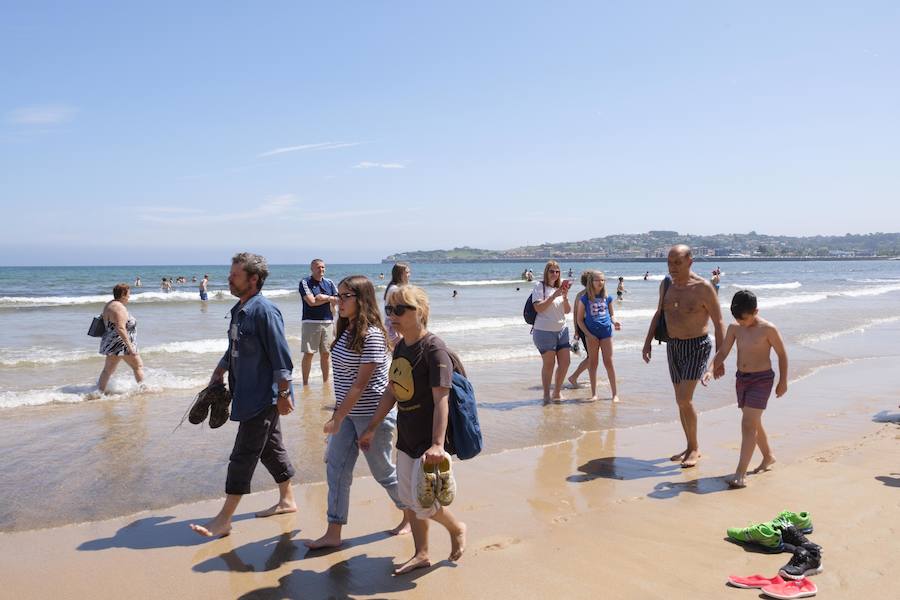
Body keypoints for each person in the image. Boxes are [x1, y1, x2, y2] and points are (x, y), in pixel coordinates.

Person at [359, 285, 466, 574]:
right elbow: (392, 392)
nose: (392, 315)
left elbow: (441, 399)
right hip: (405, 436)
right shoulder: (402, 347)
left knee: (425, 502)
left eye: (399, 309)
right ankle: (422, 553)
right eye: (390, 309)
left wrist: (438, 444)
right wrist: (371, 427)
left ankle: (456, 528)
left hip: (429, 441)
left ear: (419, 312)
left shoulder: (434, 350)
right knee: (409, 499)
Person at [190, 252, 297, 538]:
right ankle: (287, 500)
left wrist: (284, 393)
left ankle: (224, 519)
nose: (229, 278)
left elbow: (282, 359)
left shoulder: (265, 311)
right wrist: (219, 370)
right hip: (245, 393)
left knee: (243, 455)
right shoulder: (240, 309)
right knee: (270, 448)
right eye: (230, 273)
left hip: (264, 396)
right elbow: (234, 347)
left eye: (235, 274)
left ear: (253, 279)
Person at [305, 275, 409, 549]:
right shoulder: (346, 330)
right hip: (348, 414)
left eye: (345, 296)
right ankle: (333, 532)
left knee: (383, 472)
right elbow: (343, 380)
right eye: (338, 295)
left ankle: (411, 514)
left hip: (373, 416)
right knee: (337, 471)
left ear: (361, 299)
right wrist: (340, 414)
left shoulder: (373, 335)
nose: (339, 301)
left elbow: (361, 385)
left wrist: (336, 418)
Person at [642, 245, 724, 468]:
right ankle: (689, 446)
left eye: (677, 262)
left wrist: (718, 360)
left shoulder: (703, 288)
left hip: (698, 346)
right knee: (681, 402)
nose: (672, 267)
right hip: (673, 345)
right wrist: (647, 341)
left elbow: (718, 323)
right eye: (669, 262)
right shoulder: (666, 284)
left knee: (684, 399)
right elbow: (659, 313)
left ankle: (695, 448)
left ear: (690, 261)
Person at [702, 290, 787, 488]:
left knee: (748, 424)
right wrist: (710, 369)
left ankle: (740, 474)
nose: (741, 322)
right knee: (754, 422)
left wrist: (783, 381)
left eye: (745, 319)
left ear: (756, 311)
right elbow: (723, 351)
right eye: (737, 319)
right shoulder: (735, 328)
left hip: (762, 380)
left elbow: (782, 355)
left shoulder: (768, 329)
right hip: (742, 379)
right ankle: (768, 457)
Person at [575, 271, 621, 402]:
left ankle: (614, 394)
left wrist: (615, 321)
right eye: (597, 280)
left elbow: (611, 315)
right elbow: (579, 320)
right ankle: (594, 394)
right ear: (591, 282)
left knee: (609, 362)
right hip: (591, 335)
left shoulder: (608, 297)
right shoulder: (584, 299)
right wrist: (588, 335)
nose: (600, 282)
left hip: (606, 333)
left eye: (602, 280)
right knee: (593, 363)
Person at [531, 260, 571, 402]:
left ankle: (557, 392)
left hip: (562, 329)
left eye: (557, 271)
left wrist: (564, 296)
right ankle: (546, 394)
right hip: (544, 331)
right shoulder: (539, 287)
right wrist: (554, 295)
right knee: (549, 364)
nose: (555, 274)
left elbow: (567, 311)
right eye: (552, 271)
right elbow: (539, 308)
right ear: (546, 272)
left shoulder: (560, 289)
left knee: (565, 363)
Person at [97, 283, 145, 392]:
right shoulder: (119, 308)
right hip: (121, 345)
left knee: (107, 370)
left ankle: (99, 393)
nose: (129, 297)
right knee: (138, 366)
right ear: (123, 294)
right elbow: (120, 328)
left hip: (111, 343)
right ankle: (143, 390)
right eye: (128, 294)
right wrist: (130, 347)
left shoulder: (110, 304)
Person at [299, 259, 339, 385]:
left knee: (326, 354)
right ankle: (305, 383)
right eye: (318, 267)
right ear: (312, 269)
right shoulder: (305, 282)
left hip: (328, 321)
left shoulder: (329, 282)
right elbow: (311, 302)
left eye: (323, 267)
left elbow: (338, 299)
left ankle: (326, 383)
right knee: (309, 354)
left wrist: (324, 298)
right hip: (310, 322)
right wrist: (329, 299)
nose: (321, 269)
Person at [567, 271, 592, 388]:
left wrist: (576, 331)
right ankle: (573, 377)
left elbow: (575, 315)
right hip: (586, 328)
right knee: (592, 357)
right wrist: (576, 331)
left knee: (591, 356)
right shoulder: (582, 295)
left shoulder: (580, 294)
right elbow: (576, 315)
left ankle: (591, 378)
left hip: (587, 328)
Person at [383, 262, 410, 342]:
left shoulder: (392, 287)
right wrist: (399, 333)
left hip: (391, 325)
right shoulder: (395, 289)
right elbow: (395, 311)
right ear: (401, 274)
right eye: (407, 272)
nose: (409, 275)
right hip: (394, 326)